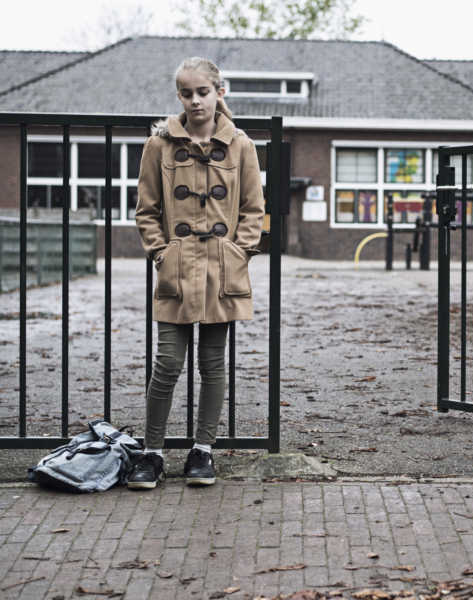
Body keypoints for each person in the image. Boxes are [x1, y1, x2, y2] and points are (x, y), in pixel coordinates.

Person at [128, 57, 265, 490]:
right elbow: (146, 209)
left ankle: (202, 451)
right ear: (179, 96)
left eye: (202, 92)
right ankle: (151, 453)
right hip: (177, 267)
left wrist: (238, 252)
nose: (195, 100)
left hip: (222, 270)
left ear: (219, 92)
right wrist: (160, 252)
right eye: (186, 93)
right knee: (167, 362)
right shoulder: (160, 145)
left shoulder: (240, 144)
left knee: (212, 363)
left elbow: (253, 210)